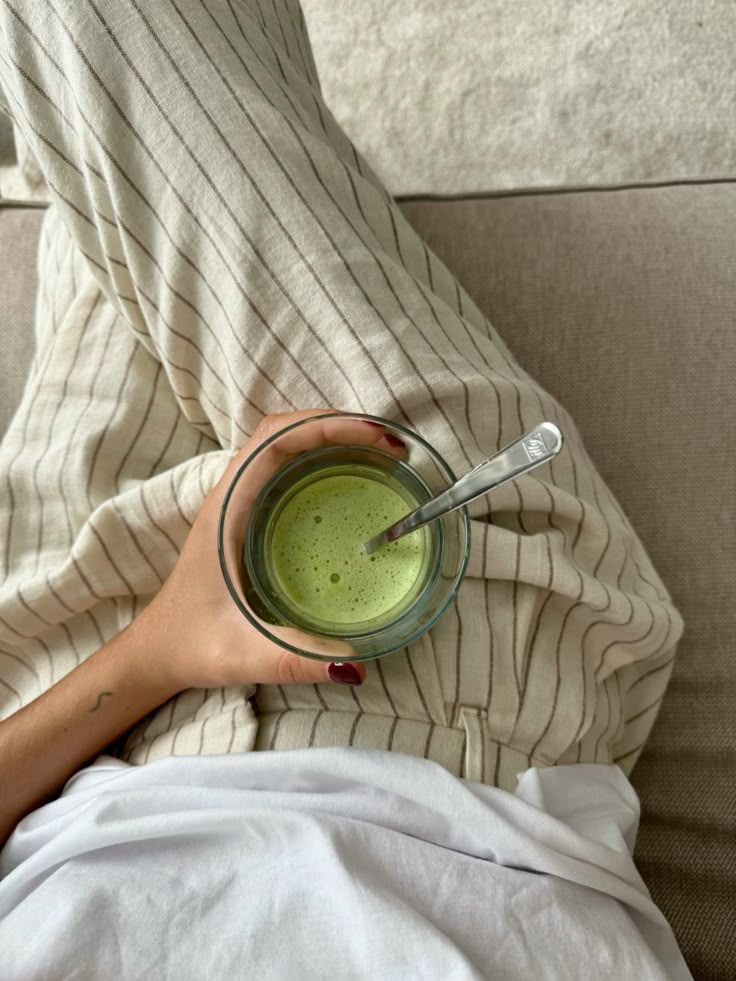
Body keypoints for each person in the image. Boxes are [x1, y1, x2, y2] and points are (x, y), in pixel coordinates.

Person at [0, 1, 690, 977]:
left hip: (56, 732)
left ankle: (57, 136)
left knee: (105, 196)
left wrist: (155, 651)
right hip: (447, 729)